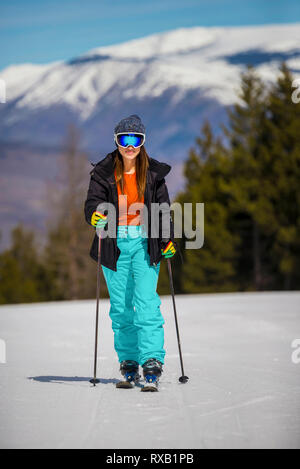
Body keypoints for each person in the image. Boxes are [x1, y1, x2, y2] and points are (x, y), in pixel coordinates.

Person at [84, 114, 177, 391]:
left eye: (136, 139)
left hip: (145, 242)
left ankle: (151, 360)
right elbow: (92, 202)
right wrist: (95, 216)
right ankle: (128, 361)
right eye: (124, 139)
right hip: (114, 244)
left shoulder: (153, 174)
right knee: (122, 308)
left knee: (146, 302)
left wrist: (167, 239)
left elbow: (162, 209)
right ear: (116, 140)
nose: (130, 145)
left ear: (142, 142)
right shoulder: (103, 172)